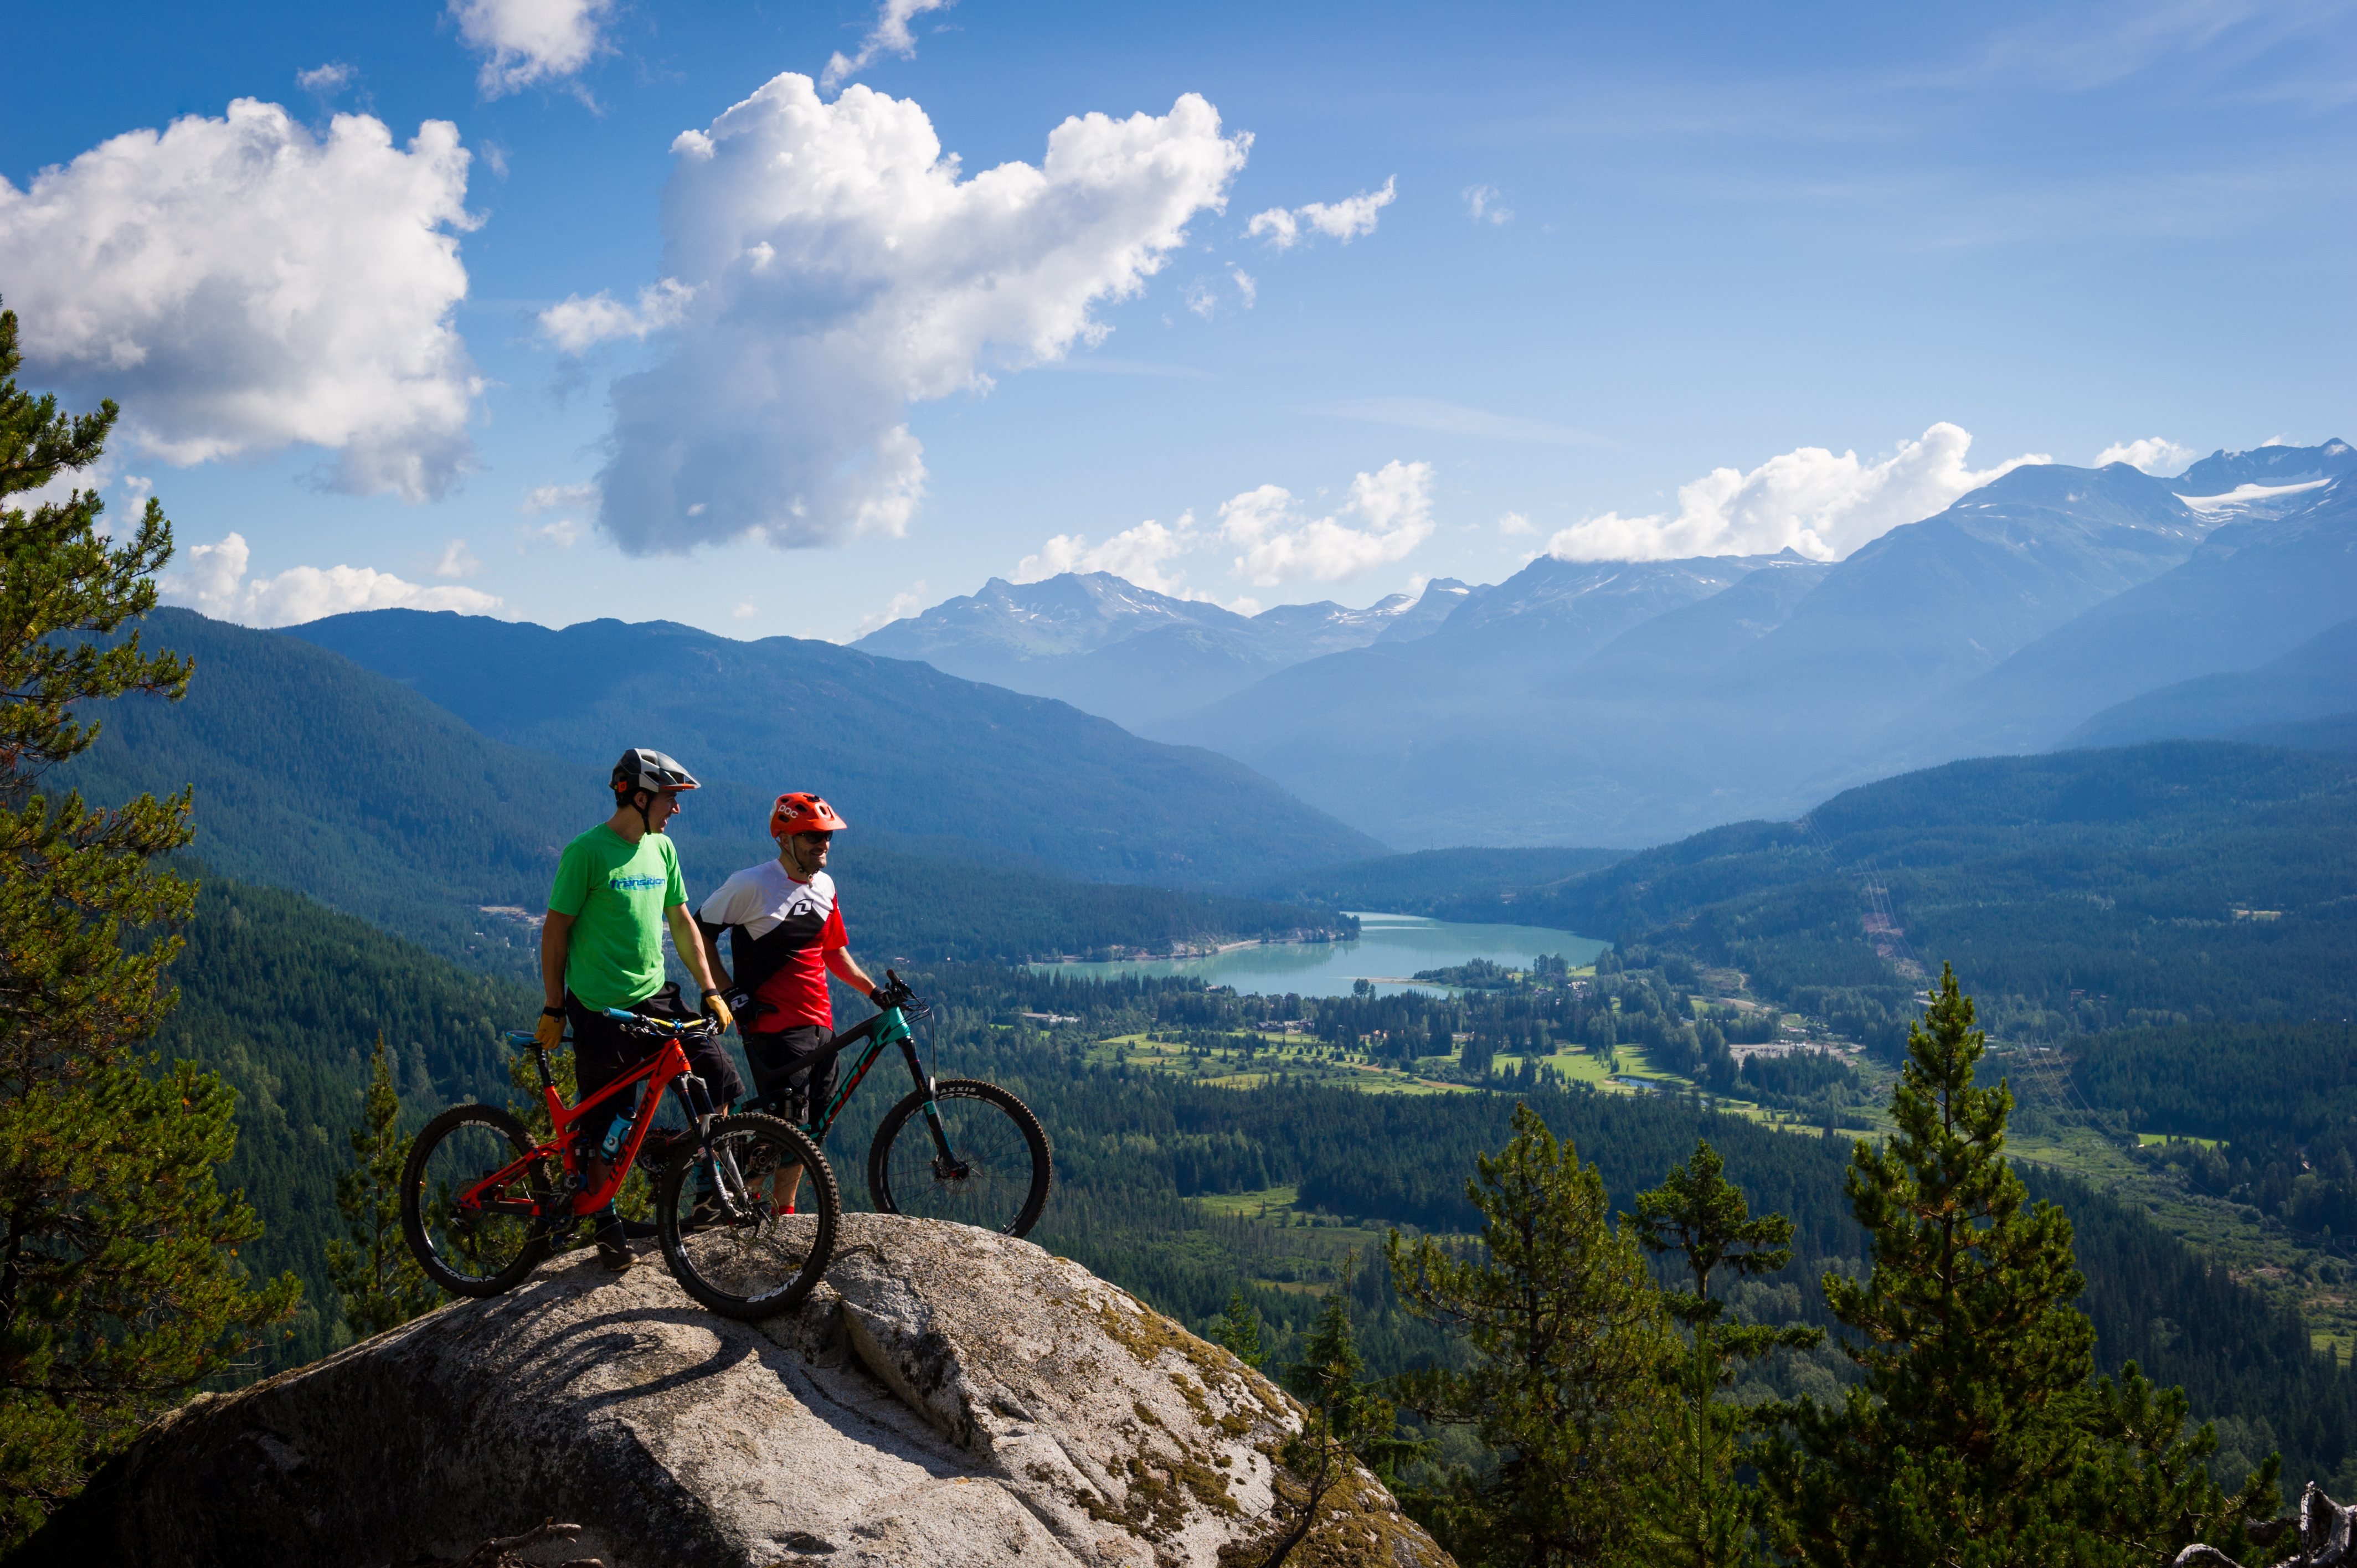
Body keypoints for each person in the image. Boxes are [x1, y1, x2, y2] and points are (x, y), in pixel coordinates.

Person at [535, 747, 742, 1271]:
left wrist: (710, 987)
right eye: (671, 799)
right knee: (608, 1118)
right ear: (641, 796)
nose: (677, 810)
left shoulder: (662, 850)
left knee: (718, 1080)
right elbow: (556, 931)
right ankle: (604, 1222)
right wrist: (555, 1007)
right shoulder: (587, 852)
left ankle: (703, 1188)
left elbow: (683, 923)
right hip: (600, 1008)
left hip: (657, 995)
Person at [696, 792, 885, 1209]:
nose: (824, 845)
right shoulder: (751, 884)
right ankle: (734, 1203)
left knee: (812, 1129)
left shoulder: (825, 885)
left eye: (827, 837)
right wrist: (726, 992)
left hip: (821, 1024)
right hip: (773, 1024)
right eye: (813, 837)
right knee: (784, 1122)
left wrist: (874, 992)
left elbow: (833, 953)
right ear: (784, 839)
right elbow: (699, 933)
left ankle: (785, 1212)